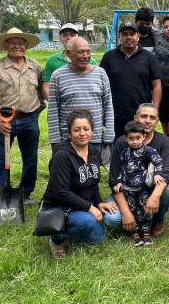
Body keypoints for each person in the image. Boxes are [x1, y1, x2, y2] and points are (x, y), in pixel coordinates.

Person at [40, 109, 117, 259]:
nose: (82, 133)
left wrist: (99, 203)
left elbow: (92, 182)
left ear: (92, 131)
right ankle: (56, 239)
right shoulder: (61, 156)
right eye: (77, 130)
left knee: (98, 241)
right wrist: (90, 208)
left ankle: (73, 226)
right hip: (57, 206)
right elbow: (61, 192)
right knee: (87, 222)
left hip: (80, 203)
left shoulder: (94, 152)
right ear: (69, 133)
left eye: (86, 129)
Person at [0, 28, 45, 210]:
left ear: (26, 46)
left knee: (31, 160)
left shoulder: (35, 67)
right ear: (6, 46)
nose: (17, 46)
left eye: (20, 43)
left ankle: (24, 194)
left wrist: (35, 111)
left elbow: (41, 93)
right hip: (3, 122)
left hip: (29, 120)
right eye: (13, 43)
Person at [103, 103, 169, 237]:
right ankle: (132, 219)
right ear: (135, 118)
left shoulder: (163, 141)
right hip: (127, 189)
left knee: (168, 191)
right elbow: (113, 179)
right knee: (111, 220)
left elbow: (168, 171)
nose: (148, 120)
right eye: (144, 116)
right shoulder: (122, 142)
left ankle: (158, 220)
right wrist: (125, 213)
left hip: (150, 187)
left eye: (152, 118)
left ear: (157, 122)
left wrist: (154, 197)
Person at [47, 37, 114, 151]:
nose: (85, 56)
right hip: (68, 139)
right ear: (69, 54)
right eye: (80, 52)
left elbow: (108, 105)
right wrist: (55, 139)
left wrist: (109, 132)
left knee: (93, 168)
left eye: (88, 51)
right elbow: (53, 109)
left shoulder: (100, 73)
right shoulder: (58, 76)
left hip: (95, 138)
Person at [100, 21, 162, 140]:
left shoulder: (149, 57)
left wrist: (155, 111)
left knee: (140, 152)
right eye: (125, 34)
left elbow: (157, 86)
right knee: (117, 152)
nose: (129, 37)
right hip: (115, 116)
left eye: (132, 34)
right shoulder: (109, 57)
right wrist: (103, 111)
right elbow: (101, 87)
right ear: (119, 37)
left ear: (138, 36)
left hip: (141, 117)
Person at [113, 122, 164, 246]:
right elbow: (122, 168)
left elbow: (159, 162)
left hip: (143, 188)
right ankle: (135, 234)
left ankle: (147, 233)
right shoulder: (125, 153)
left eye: (138, 138)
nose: (135, 141)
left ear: (143, 137)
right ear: (126, 138)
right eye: (131, 139)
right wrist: (119, 182)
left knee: (144, 211)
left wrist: (157, 174)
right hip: (127, 189)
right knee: (132, 211)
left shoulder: (148, 150)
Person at [42, 23, 98, 100]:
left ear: (79, 38)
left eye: (72, 35)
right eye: (65, 35)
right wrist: (57, 105)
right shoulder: (52, 60)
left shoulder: (91, 61)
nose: (68, 37)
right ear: (60, 39)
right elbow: (46, 87)